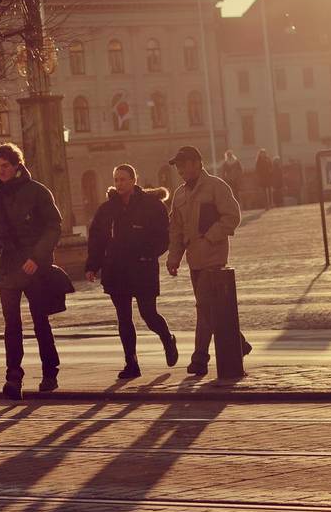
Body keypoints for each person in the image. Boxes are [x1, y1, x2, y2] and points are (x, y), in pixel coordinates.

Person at [0, 142, 62, 400]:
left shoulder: (37, 192)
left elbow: (53, 227)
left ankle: (50, 372)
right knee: (11, 325)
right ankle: (13, 377)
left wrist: (37, 257)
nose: (0, 171)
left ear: (17, 165)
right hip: (5, 269)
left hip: (33, 269)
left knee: (40, 321)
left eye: (5, 166)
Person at [85, 164, 177, 378]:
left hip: (143, 267)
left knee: (148, 313)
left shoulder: (152, 206)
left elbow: (164, 236)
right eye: (116, 180)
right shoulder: (107, 209)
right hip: (116, 269)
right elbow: (97, 238)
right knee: (124, 318)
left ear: (134, 180)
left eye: (123, 179)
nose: (119, 184)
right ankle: (131, 363)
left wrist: (149, 253)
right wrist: (92, 265)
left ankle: (167, 338)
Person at [166, 145, 245, 377]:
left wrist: (210, 237)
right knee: (213, 309)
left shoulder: (216, 187)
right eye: (177, 166)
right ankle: (239, 344)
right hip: (195, 260)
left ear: (196, 163)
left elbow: (232, 216)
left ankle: (200, 358)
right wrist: (174, 257)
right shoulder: (179, 194)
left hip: (213, 258)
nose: (180, 170)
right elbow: (176, 230)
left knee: (203, 307)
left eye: (183, 165)